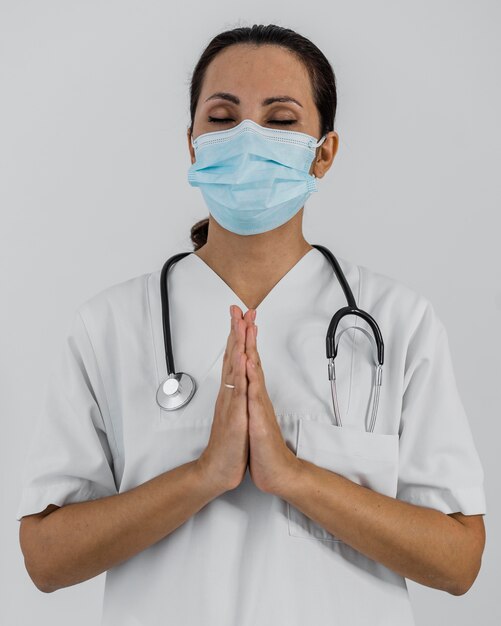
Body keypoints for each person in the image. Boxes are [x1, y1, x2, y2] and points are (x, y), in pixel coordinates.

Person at [17, 23, 486, 626]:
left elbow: (459, 562)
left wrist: (293, 477)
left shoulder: (398, 322)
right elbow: (45, 559)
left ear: (324, 152)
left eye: (282, 120)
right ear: (192, 143)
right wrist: (202, 477)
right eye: (222, 117)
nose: (247, 138)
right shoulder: (108, 327)